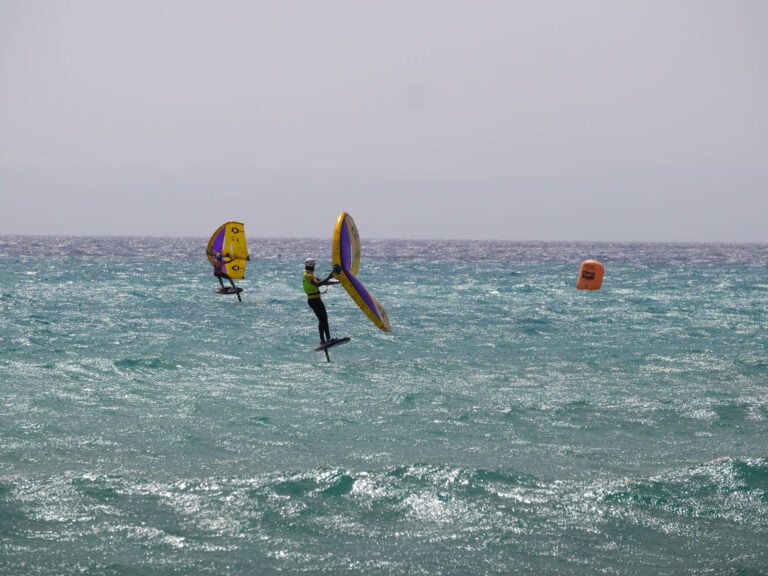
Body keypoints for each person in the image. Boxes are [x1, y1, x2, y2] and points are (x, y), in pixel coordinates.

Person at [303, 258, 339, 344]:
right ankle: (326, 339)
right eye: (314, 265)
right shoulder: (308, 275)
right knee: (323, 319)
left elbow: (323, 282)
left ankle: (325, 340)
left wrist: (338, 282)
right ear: (312, 266)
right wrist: (329, 277)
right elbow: (318, 284)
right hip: (314, 300)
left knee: (323, 319)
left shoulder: (310, 274)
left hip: (315, 300)